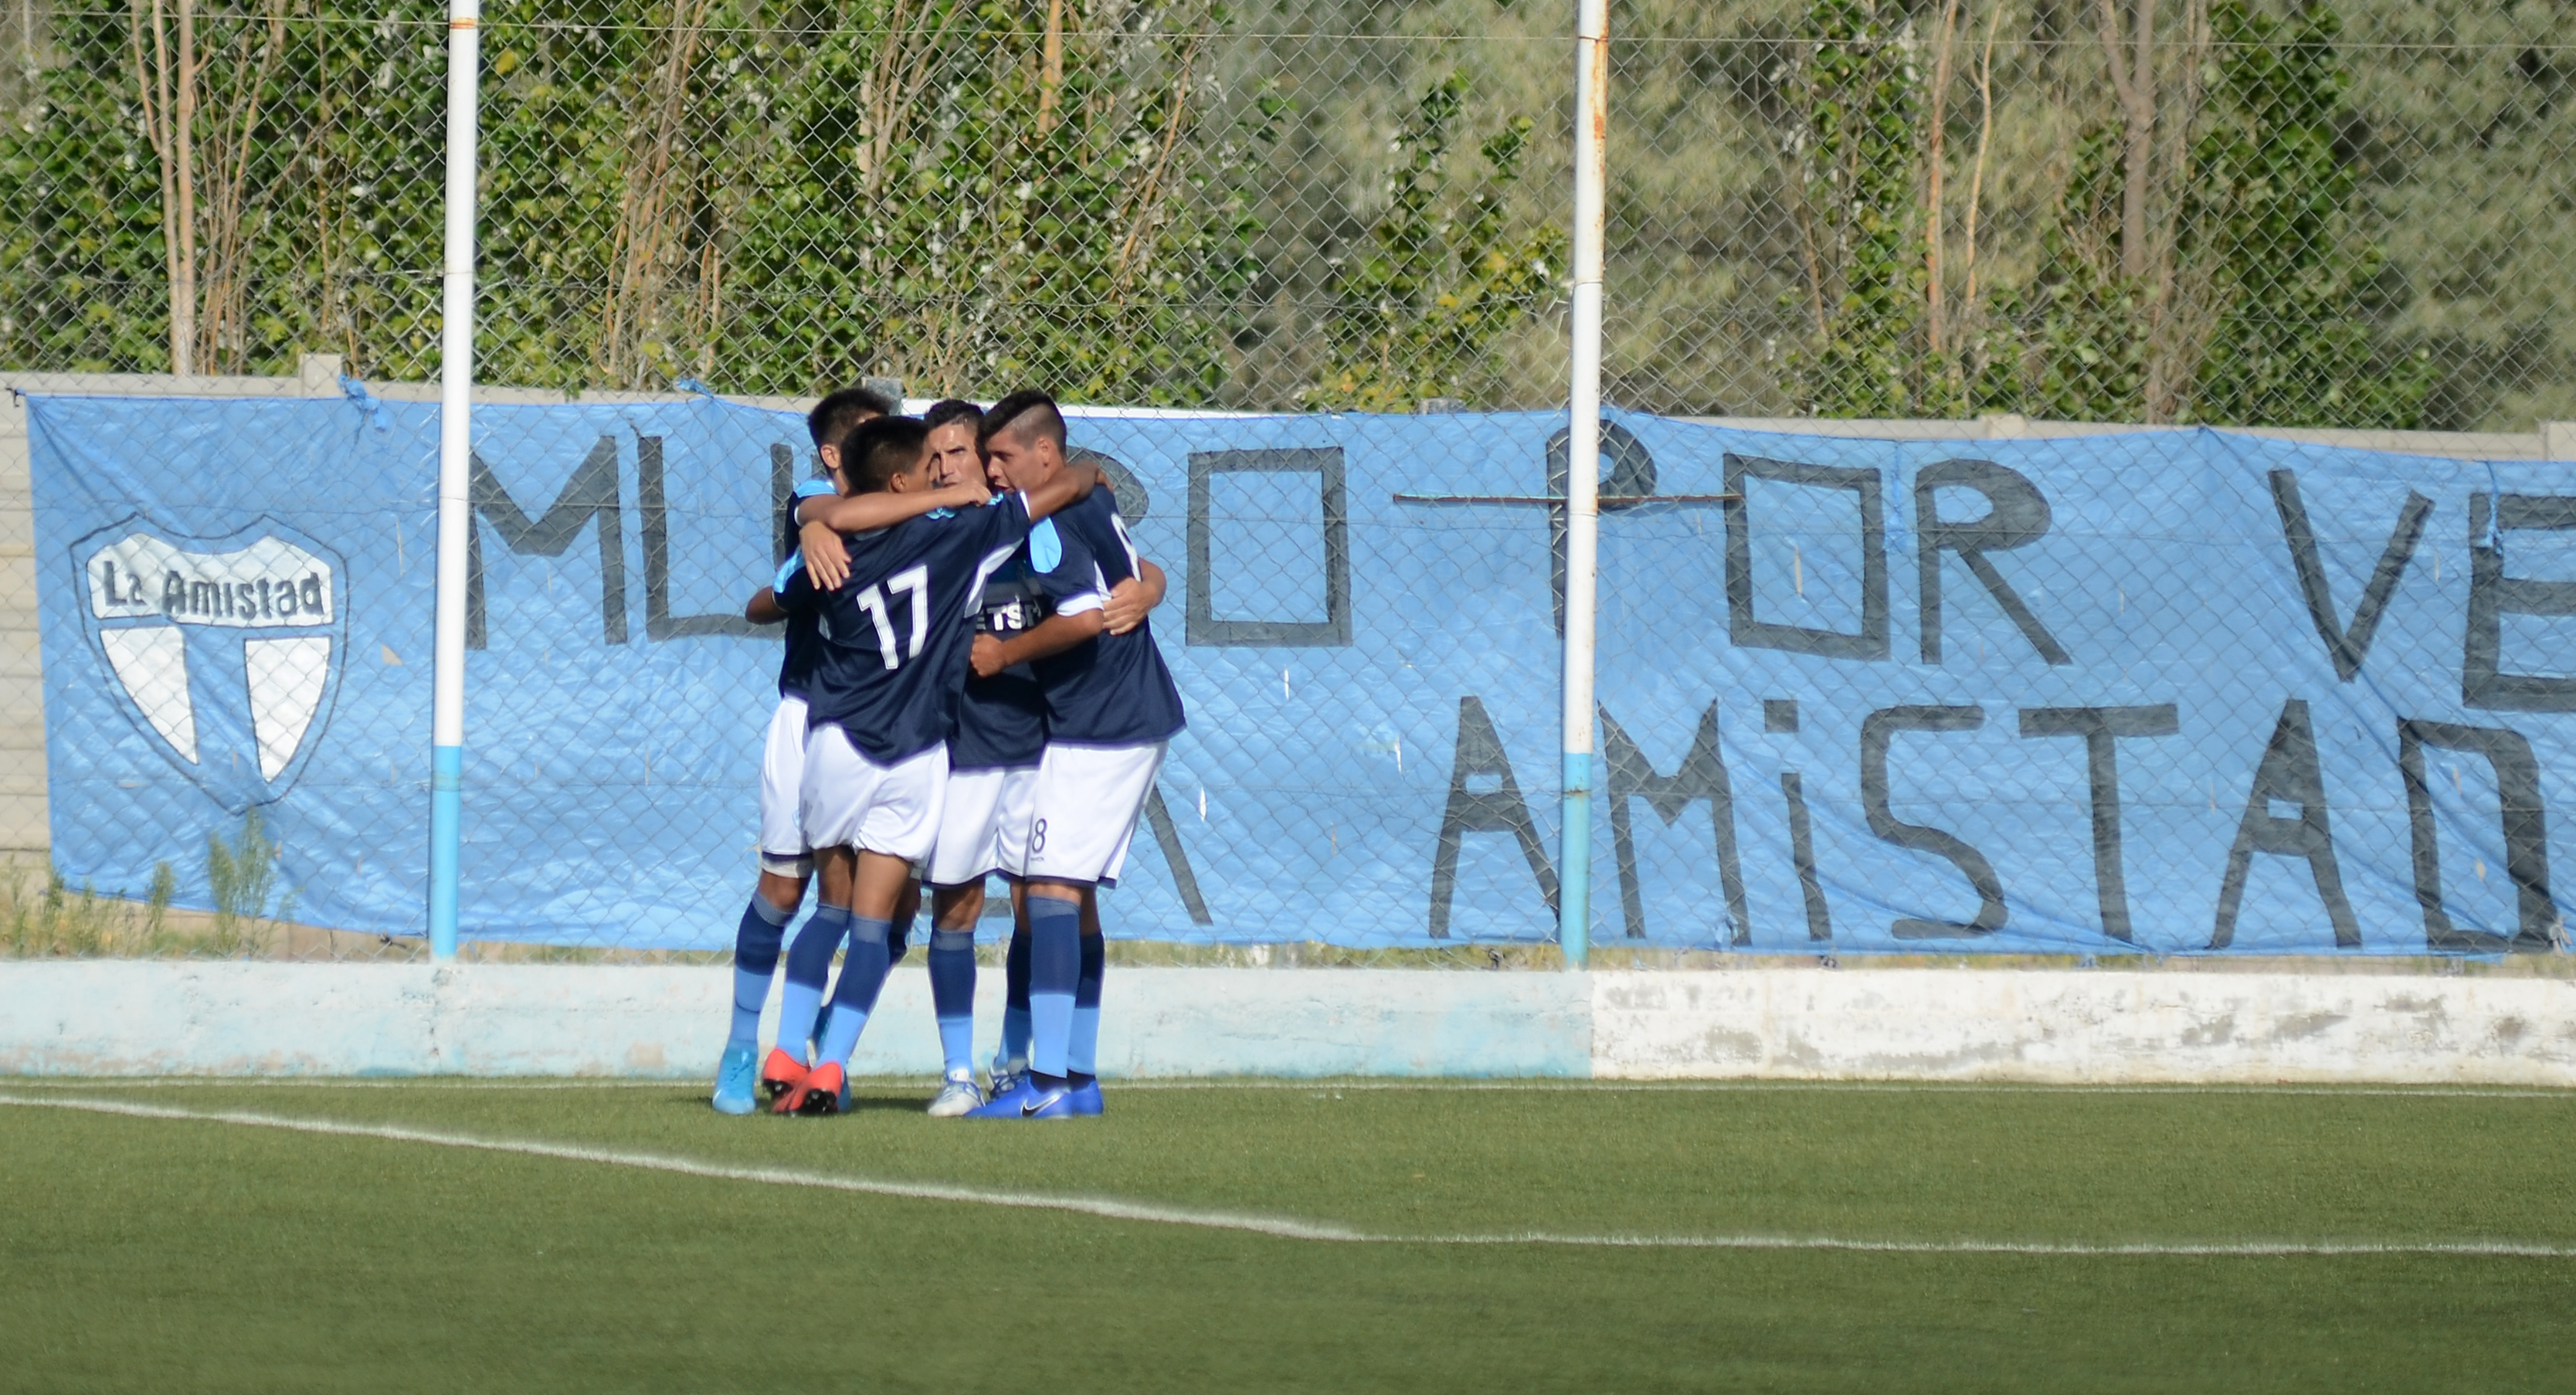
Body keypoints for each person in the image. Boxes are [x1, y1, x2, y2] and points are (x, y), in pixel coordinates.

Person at [766, 414, 1105, 1115]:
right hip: (917, 752)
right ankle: (830, 1066)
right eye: (932, 462)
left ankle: (788, 1049)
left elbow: (772, 598)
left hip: (839, 744)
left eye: (958, 456)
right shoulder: (958, 536)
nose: (943, 471)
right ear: (904, 479)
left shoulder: (839, 539)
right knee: (874, 926)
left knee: (831, 911)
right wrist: (1081, 473)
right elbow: (1051, 494)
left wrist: (813, 526)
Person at [912, 400, 1168, 1115]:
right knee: (1071, 899)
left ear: (1044, 457)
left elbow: (1086, 614)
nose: (991, 471)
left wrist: (1005, 652)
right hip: (1106, 721)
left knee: (1050, 891)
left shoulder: (1049, 517)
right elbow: (1130, 566)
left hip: (1101, 724)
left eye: (1000, 458)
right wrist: (1150, 584)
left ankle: (1048, 1082)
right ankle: (1076, 1079)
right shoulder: (1083, 496)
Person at [708, 384, 917, 1115]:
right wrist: (810, 539)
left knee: (887, 903)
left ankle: (820, 1048)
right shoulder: (813, 501)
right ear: (834, 454)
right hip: (811, 719)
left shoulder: (911, 511)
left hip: (899, 730)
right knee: (784, 891)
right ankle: (742, 1046)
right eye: (866, 435)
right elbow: (798, 540)